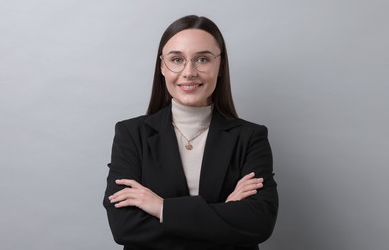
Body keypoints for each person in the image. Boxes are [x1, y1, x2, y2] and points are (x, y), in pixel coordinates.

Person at [103, 15, 278, 250]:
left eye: (202, 59)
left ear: (220, 66)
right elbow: (125, 228)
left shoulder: (250, 137)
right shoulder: (131, 134)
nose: (189, 72)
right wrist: (222, 215)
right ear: (162, 67)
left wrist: (161, 208)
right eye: (176, 59)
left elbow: (259, 223)